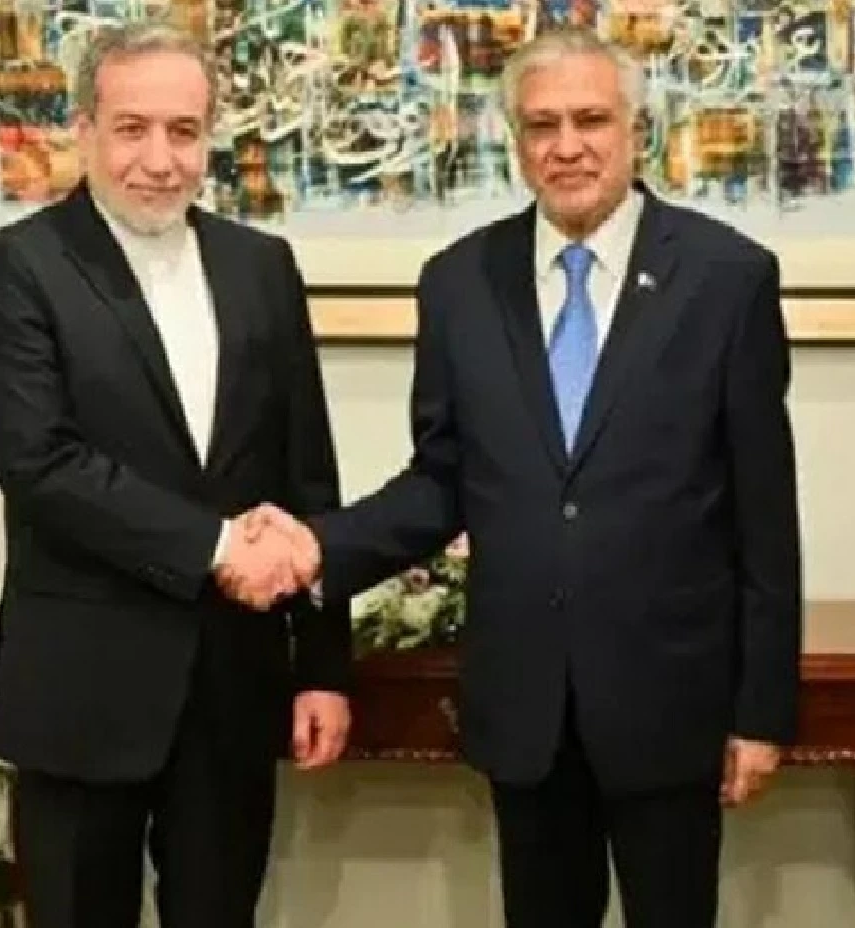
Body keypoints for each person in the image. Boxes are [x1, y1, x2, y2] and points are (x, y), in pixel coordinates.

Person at [241, 26, 802, 928]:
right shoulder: (459, 282)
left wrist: (763, 711)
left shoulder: (726, 278)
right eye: (542, 125)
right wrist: (317, 546)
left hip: (671, 702)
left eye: (591, 120)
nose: (567, 146)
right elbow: (442, 480)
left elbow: (765, 514)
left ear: (636, 130)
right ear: (515, 138)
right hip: (527, 705)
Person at [0, 22, 350, 928]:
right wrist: (217, 547)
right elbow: (39, 463)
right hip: (82, 687)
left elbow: (307, 476)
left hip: (233, 686)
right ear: (84, 130)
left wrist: (324, 667)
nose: (160, 160)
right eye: (132, 129)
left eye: (184, 131)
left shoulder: (263, 267)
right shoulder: (15, 267)